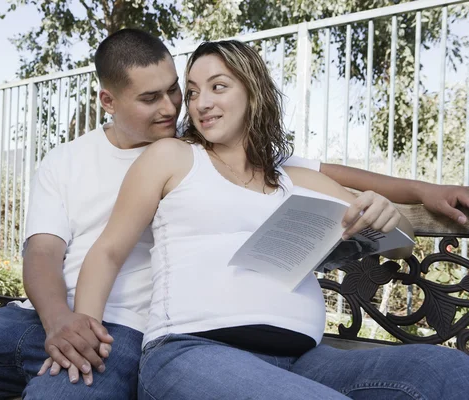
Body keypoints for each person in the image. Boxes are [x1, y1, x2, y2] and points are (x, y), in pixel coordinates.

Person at [0, 29, 467, 400]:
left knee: (443, 376)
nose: (182, 105)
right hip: (95, 324)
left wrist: (414, 192)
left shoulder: (242, 157)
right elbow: (49, 251)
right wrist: (68, 321)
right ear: (108, 99)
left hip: (212, 341)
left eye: (185, 90)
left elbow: (336, 177)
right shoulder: (132, 159)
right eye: (159, 97)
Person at [71, 39, 469, 400]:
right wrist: (84, 331)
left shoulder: (295, 179)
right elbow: (107, 251)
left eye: (218, 86)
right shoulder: (173, 157)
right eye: (192, 92)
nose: (200, 103)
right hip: (193, 353)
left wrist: (389, 213)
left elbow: (400, 242)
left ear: (252, 89)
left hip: (305, 360)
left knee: (448, 372)